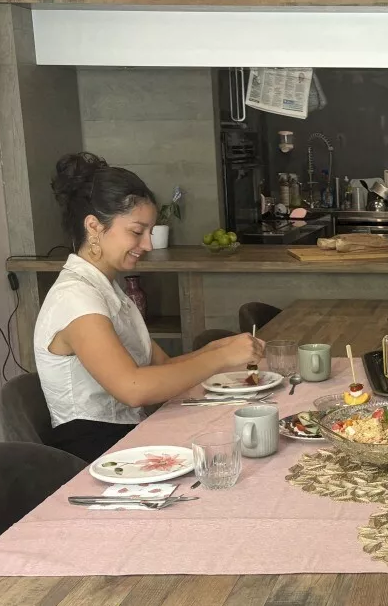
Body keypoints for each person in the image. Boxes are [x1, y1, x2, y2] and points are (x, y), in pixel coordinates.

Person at [34, 153, 263, 461]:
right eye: (136, 231)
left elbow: (162, 367)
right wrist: (222, 357)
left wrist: (218, 348)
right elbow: (133, 388)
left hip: (126, 436)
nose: (148, 245)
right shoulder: (75, 298)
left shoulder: (105, 288)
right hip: (94, 454)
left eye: (149, 232)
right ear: (93, 227)